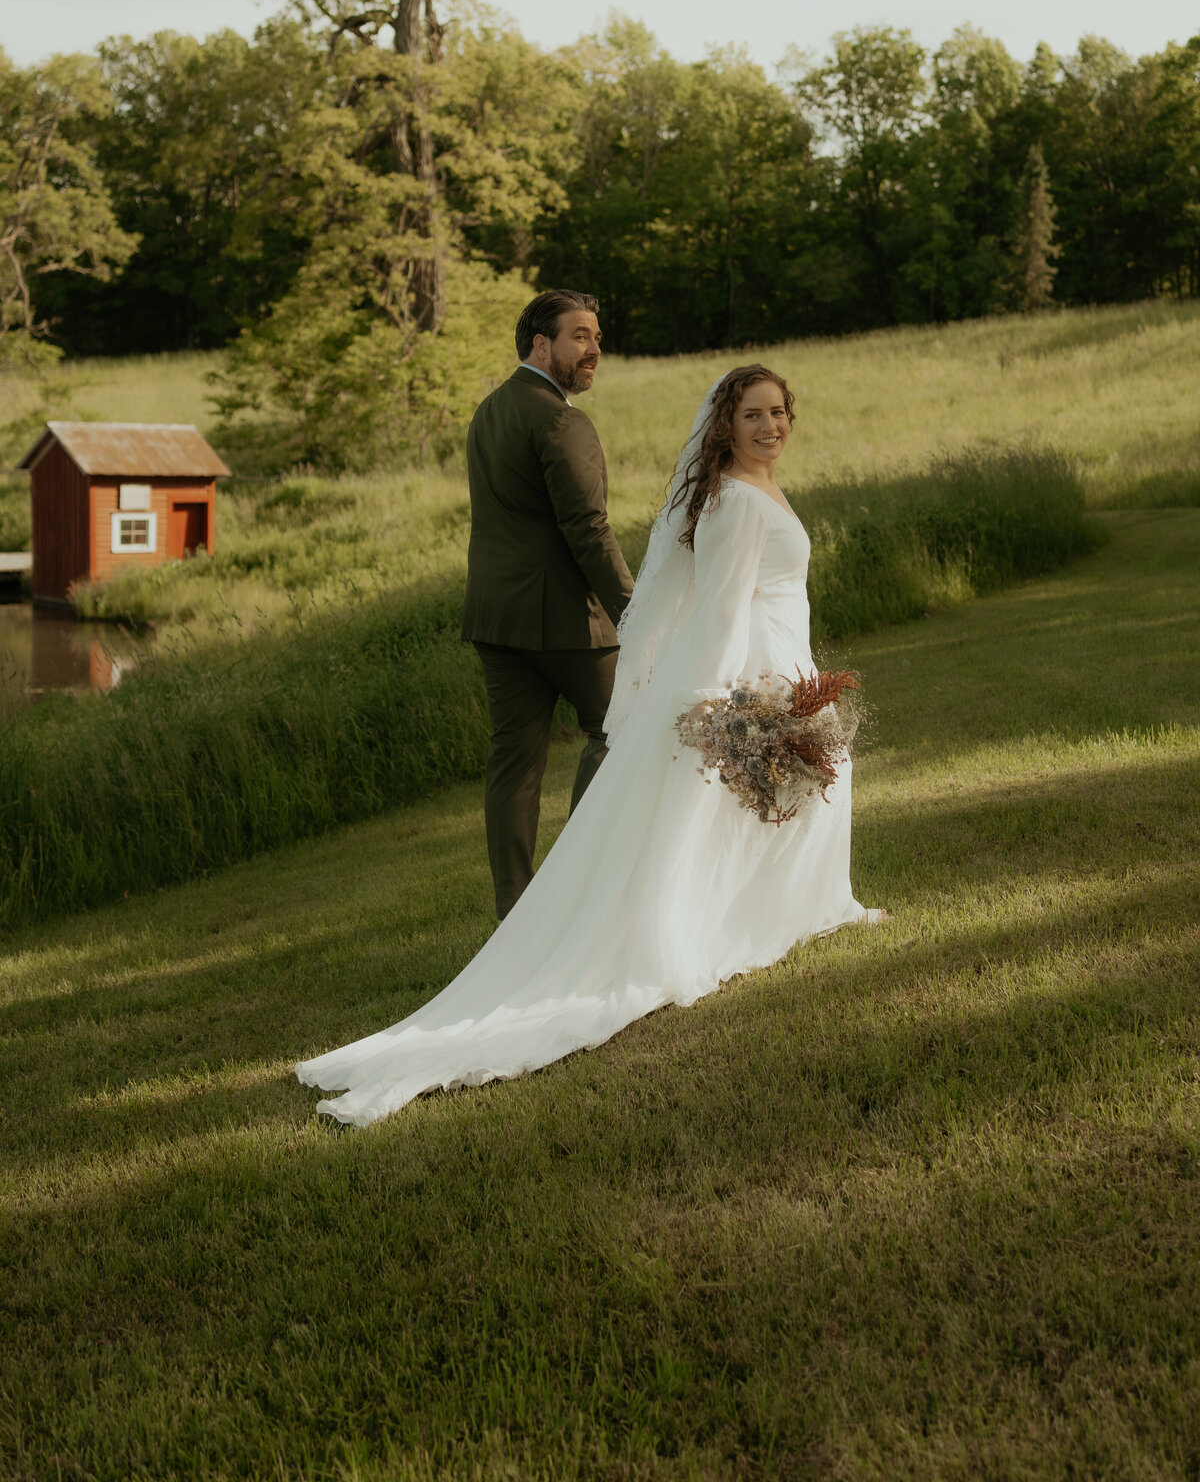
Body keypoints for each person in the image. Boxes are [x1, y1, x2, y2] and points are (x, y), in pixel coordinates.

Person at [296, 365, 885, 1126]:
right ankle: (721, 926)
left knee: (795, 798)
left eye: (779, 413)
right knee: (747, 801)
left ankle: (804, 907)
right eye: (753, 416)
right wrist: (724, 699)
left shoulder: (762, 486)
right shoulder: (735, 500)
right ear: (726, 427)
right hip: (752, 666)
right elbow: (721, 610)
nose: (770, 426)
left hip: (785, 654)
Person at [459, 289, 634, 920]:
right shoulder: (563, 420)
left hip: (497, 620)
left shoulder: (489, 410)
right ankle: (571, 883)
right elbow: (588, 528)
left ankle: (514, 908)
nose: (594, 350)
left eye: (596, 337)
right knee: (622, 727)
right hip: (566, 622)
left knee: (514, 764)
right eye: (580, 336)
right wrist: (632, 610)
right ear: (541, 344)